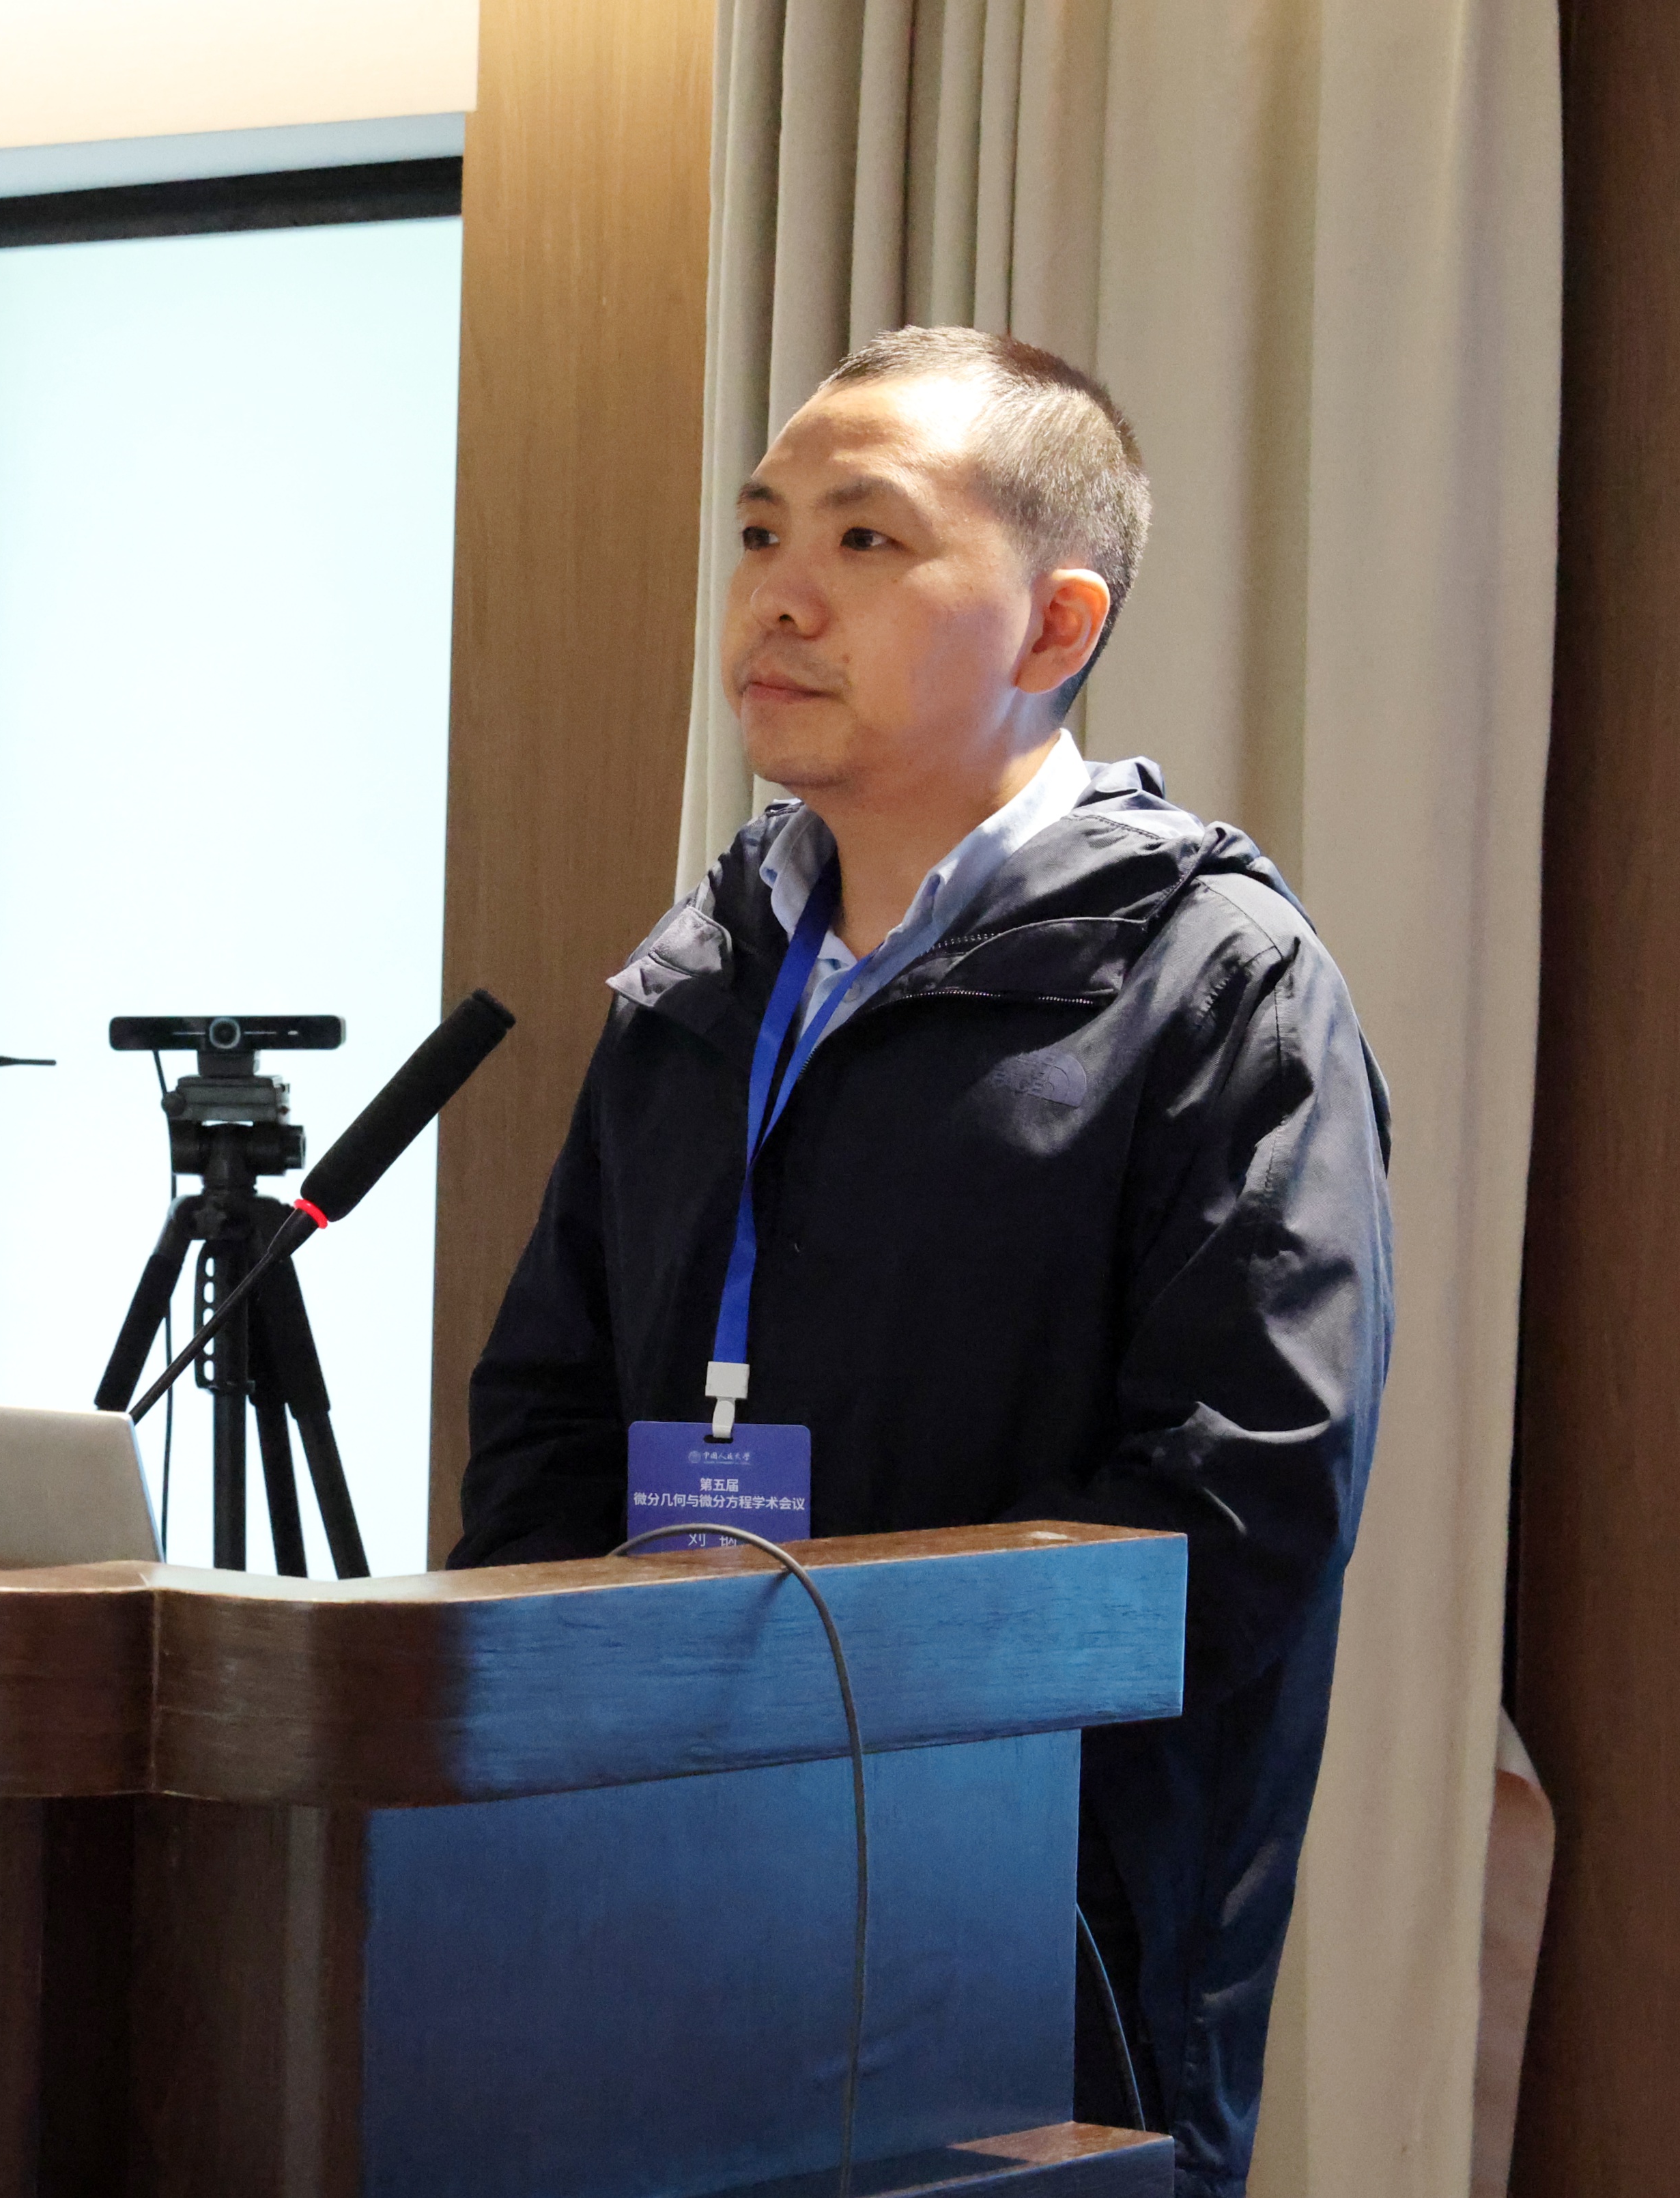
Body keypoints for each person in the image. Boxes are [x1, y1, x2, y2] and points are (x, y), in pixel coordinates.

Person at [452, 326, 1391, 2197]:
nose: (780, 595)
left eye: (866, 540)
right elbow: (547, 1418)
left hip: (1029, 1941)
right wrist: (570, 1751)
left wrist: (831, 1726)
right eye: (760, 532)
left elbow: (1240, 1512)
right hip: (648, 1892)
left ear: (1056, 626)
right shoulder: (701, 977)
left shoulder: (1214, 984)